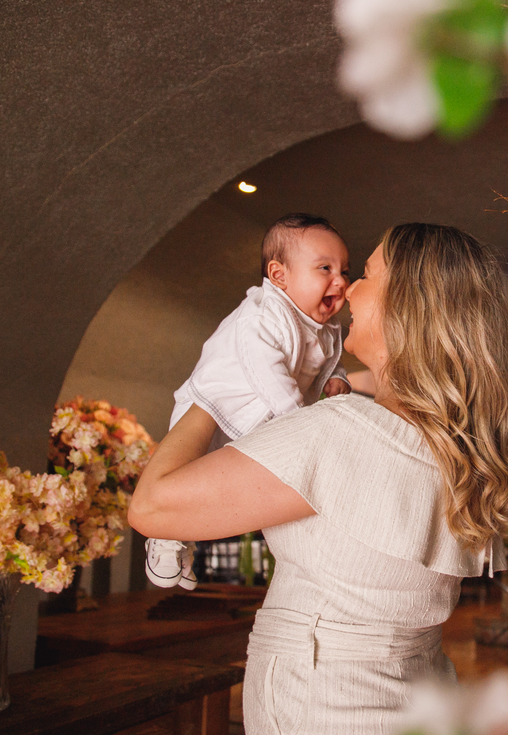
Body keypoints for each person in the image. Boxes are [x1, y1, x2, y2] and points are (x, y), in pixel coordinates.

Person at [129, 223, 508, 735]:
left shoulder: (339, 431)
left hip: (328, 717)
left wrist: (211, 386)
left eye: (365, 274)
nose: (349, 291)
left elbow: (153, 506)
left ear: (404, 306)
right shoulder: (454, 444)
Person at [144, 213, 352, 590]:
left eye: (344, 271)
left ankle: (185, 538)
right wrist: (300, 420)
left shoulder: (325, 328)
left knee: (218, 488)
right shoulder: (262, 314)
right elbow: (267, 372)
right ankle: (164, 538)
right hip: (216, 406)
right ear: (279, 275)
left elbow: (328, 362)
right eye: (325, 268)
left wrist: (337, 378)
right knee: (188, 478)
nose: (340, 281)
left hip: (259, 423)